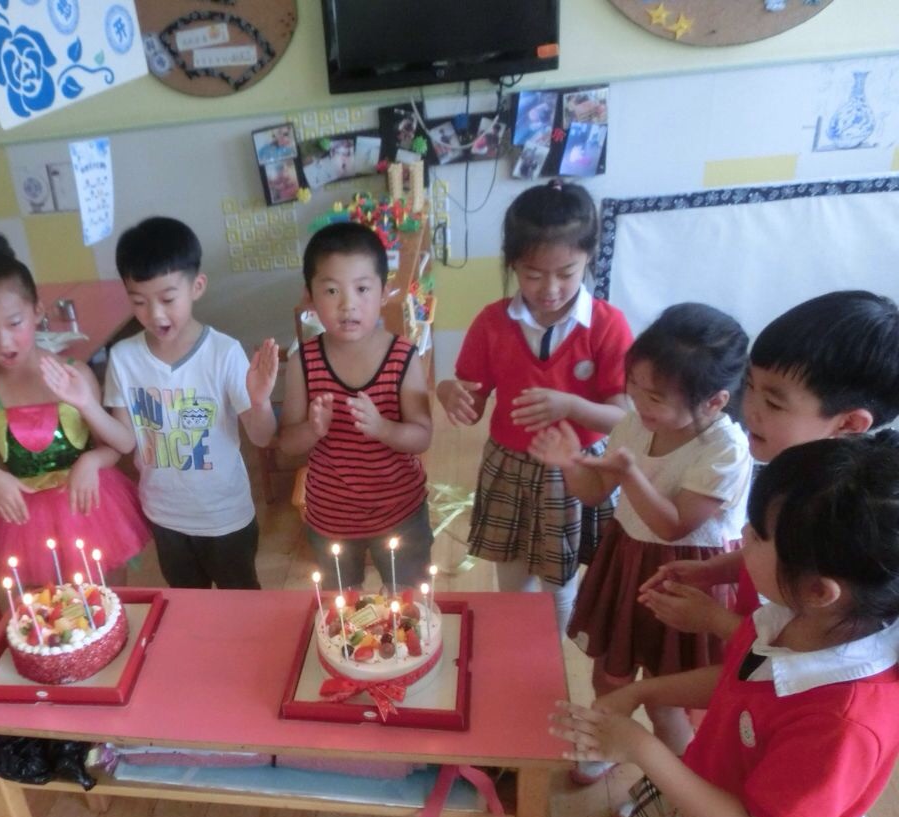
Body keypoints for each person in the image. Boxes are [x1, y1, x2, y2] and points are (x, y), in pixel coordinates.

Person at [552, 432, 899, 817]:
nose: (740, 538)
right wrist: (644, 690)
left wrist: (641, 747)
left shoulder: (843, 723)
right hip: (718, 798)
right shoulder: (800, 621)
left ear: (820, 590)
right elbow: (740, 679)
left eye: (756, 536)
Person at [531, 305, 752, 783]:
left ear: (714, 402)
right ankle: (606, 744)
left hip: (686, 575)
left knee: (664, 696)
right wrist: (570, 462)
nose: (639, 402)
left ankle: (674, 787)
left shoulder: (725, 449)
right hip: (627, 557)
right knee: (608, 675)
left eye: (655, 396)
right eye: (634, 386)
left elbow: (674, 526)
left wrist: (629, 473)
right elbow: (594, 492)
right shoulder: (636, 424)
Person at [641, 291, 899, 642]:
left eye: (774, 403)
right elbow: (771, 549)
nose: (750, 409)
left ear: (849, 424)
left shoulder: (840, 521)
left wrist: (715, 621)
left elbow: (803, 657)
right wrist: (713, 570)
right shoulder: (794, 473)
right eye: (749, 385)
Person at [436, 179, 632, 629]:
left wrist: (571, 406)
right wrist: (450, 392)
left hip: (577, 469)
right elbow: (472, 398)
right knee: (511, 580)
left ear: (588, 258)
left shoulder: (607, 325)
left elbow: (622, 417)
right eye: (532, 273)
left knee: (559, 585)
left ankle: (550, 658)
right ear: (512, 264)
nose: (550, 288)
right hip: (509, 465)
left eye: (566, 272)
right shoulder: (492, 322)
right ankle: (518, 651)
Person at [0, 235, 149, 589]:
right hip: (28, 518)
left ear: (37, 312)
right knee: (52, 606)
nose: (3, 341)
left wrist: (90, 461)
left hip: (88, 505)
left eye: (14, 323)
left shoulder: (75, 374)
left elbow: (113, 446)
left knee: (108, 598)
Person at [103, 216, 278, 589]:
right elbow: (124, 440)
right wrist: (86, 403)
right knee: (188, 606)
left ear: (197, 286)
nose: (155, 314)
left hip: (225, 517)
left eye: (168, 299)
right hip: (165, 516)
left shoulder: (224, 353)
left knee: (243, 607)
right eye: (139, 301)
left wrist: (260, 402)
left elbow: (262, 438)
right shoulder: (123, 358)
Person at [278, 221, 431, 590]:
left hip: (401, 511)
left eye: (362, 289)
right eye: (331, 290)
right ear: (309, 297)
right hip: (331, 517)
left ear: (384, 292)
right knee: (344, 609)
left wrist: (384, 428)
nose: (348, 305)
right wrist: (313, 429)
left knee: (407, 603)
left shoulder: (402, 357)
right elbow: (287, 445)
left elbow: (422, 436)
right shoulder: (303, 362)